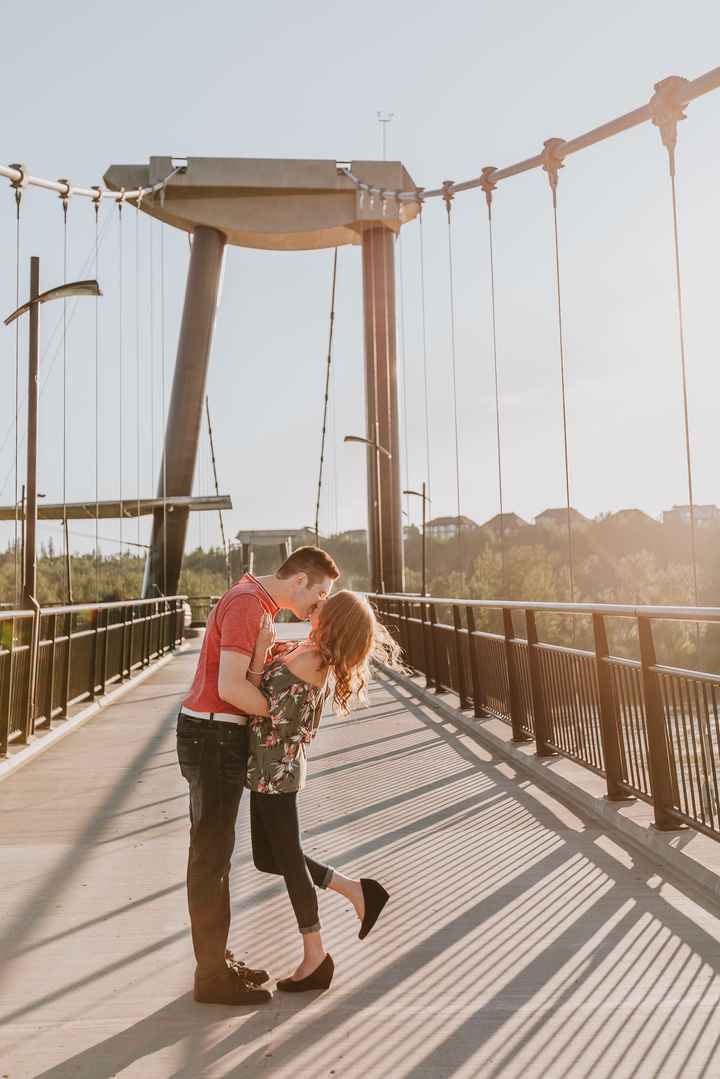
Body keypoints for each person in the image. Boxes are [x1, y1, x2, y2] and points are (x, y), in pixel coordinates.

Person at [176, 546, 340, 1006]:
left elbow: (247, 675)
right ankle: (211, 978)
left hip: (215, 736)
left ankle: (215, 962)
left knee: (217, 855)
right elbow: (230, 688)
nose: (321, 604)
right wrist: (279, 716)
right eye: (321, 593)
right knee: (210, 858)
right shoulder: (249, 605)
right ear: (300, 581)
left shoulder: (256, 604)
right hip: (212, 737)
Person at [246, 589, 401, 992]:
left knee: (288, 860)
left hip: (276, 770)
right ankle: (355, 890)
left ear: (333, 621)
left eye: (323, 608)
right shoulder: (309, 651)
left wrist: (258, 660)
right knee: (268, 856)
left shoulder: (314, 660)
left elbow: (266, 707)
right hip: (268, 768)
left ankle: (315, 955)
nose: (316, 608)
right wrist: (266, 650)